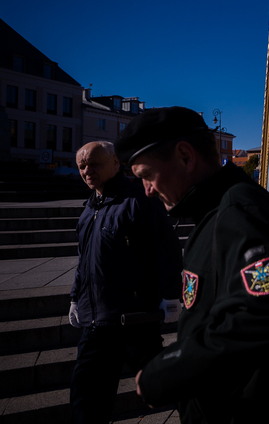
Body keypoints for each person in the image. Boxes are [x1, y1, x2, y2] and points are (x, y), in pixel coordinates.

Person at [118, 107, 269, 422]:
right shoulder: (219, 211)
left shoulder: (237, 210)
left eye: (147, 176)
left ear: (186, 157)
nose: (147, 190)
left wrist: (164, 372)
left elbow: (260, 315)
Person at [69, 141, 182, 424]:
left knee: (167, 389)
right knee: (86, 400)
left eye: (94, 163)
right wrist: (75, 298)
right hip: (95, 324)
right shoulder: (88, 210)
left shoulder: (139, 200)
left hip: (135, 320)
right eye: (82, 166)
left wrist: (170, 296)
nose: (87, 171)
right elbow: (85, 261)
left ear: (116, 164)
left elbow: (166, 248)